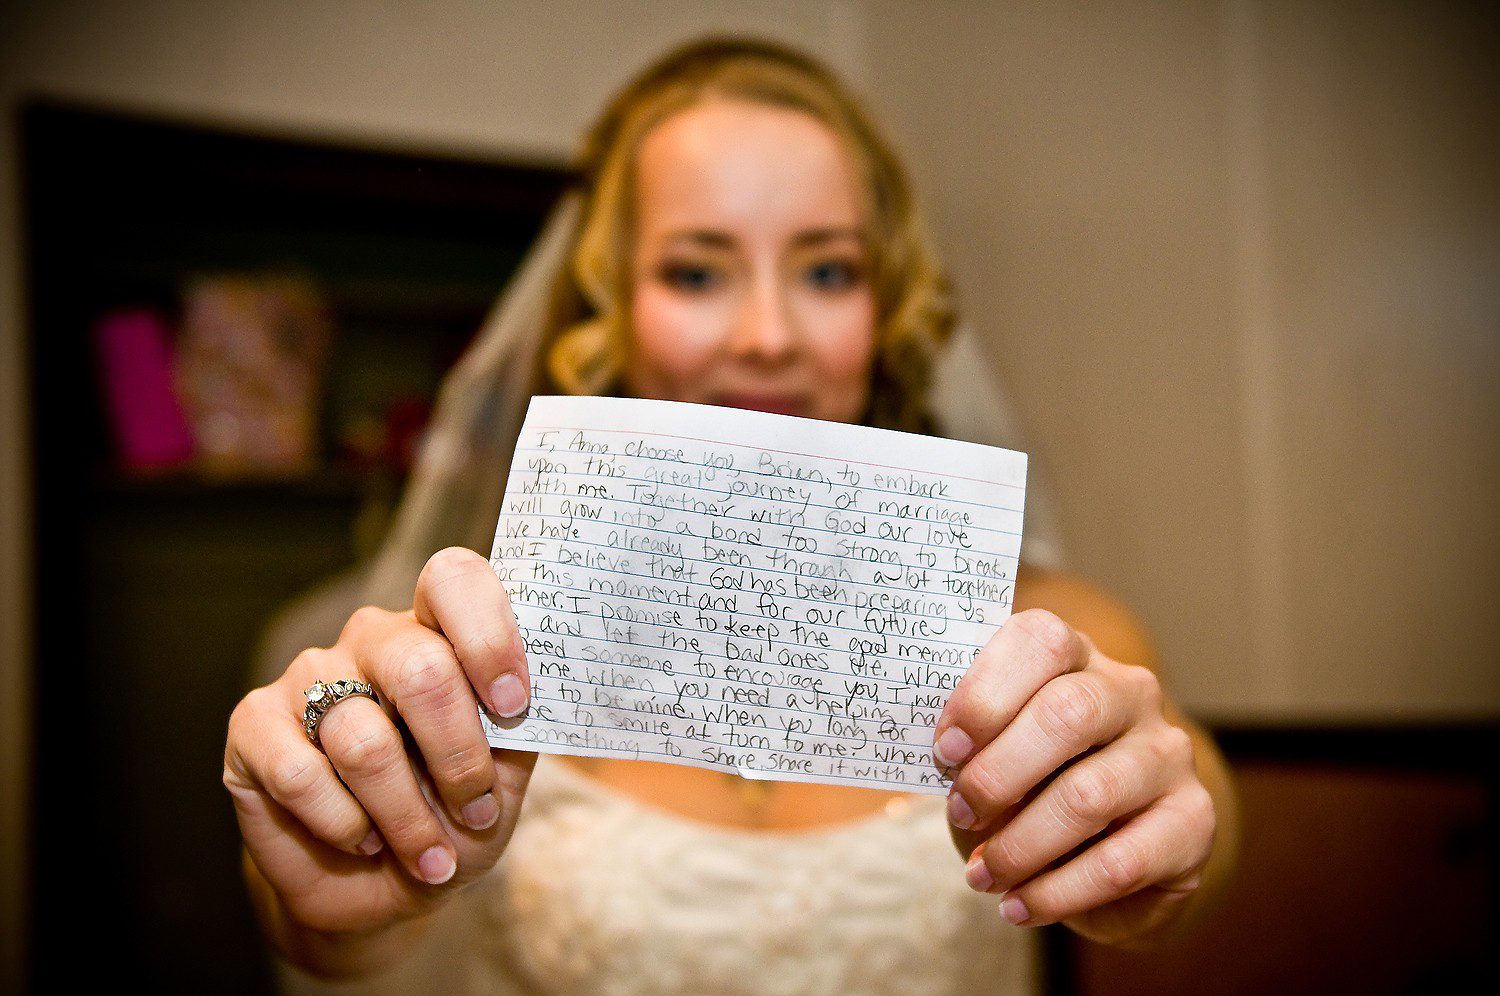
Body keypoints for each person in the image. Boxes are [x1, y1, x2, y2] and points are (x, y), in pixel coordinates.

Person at [223, 37, 1238, 994]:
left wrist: (1170, 834)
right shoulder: (464, 658)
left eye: (828, 270)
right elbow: (328, 933)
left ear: (886, 310)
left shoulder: (1049, 638)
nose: (766, 334)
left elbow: (1197, 824)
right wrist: (340, 897)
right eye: (697, 271)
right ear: (611, 311)